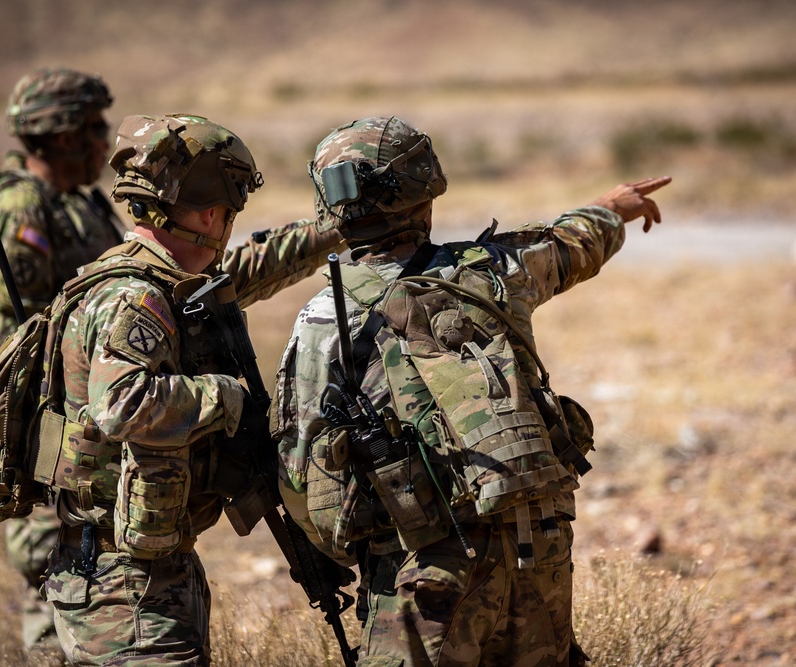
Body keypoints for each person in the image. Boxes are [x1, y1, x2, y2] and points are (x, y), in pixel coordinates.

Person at [272, 115, 670, 666]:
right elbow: (569, 244)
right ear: (426, 190)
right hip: (537, 548)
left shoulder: (324, 320)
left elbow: (303, 480)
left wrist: (342, 553)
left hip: (423, 569)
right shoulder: (498, 272)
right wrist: (611, 206)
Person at [39, 113, 346, 665]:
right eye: (230, 213)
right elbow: (121, 403)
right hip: (121, 586)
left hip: (144, 570)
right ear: (211, 213)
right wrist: (225, 396)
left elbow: (255, 265)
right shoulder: (135, 297)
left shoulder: (165, 281)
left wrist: (336, 227)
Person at [0, 66, 124, 654]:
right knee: (54, 586)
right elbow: (23, 340)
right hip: (45, 437)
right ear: (63, 136)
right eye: (95, 126)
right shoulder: (21, 209)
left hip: (82, 430)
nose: (105, 140)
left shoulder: (77, 203)